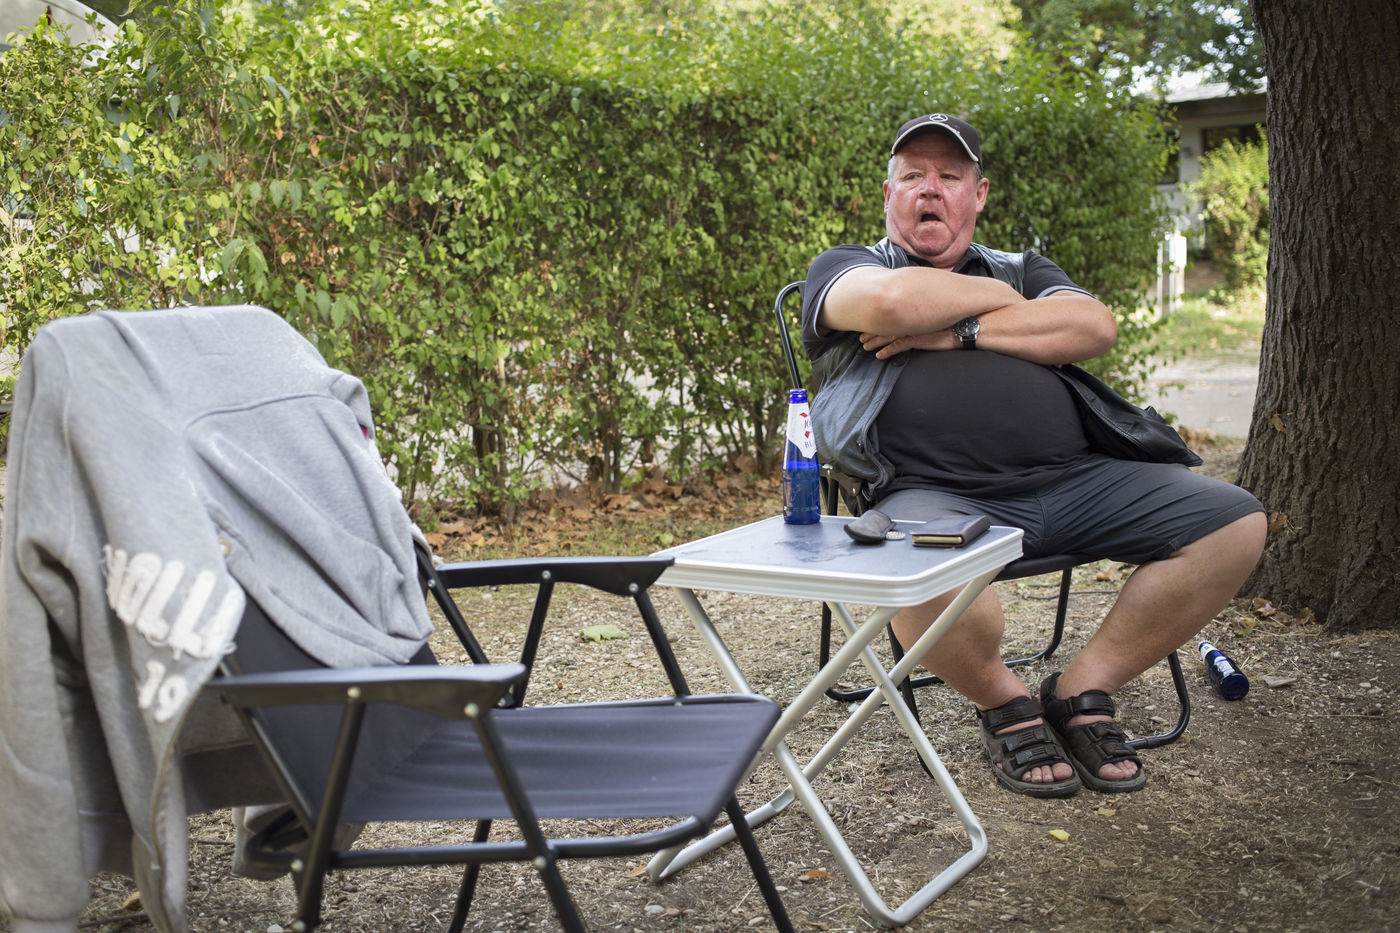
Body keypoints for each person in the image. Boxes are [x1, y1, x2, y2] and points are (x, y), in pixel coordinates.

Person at [799, 113, 1266, 797]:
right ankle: (1004, 701)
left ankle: (1081, 691)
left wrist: (955, 333)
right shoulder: (846, 266)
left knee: (1235, 523)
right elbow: (892, 303)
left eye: (949, 176)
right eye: (913, 175)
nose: (930, 188)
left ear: (978, 194)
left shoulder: (1026, 267)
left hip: (1078, 479)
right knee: (918, 573)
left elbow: (1092, 326)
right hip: (934, 494)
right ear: (888, 193)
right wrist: (1002, 304)